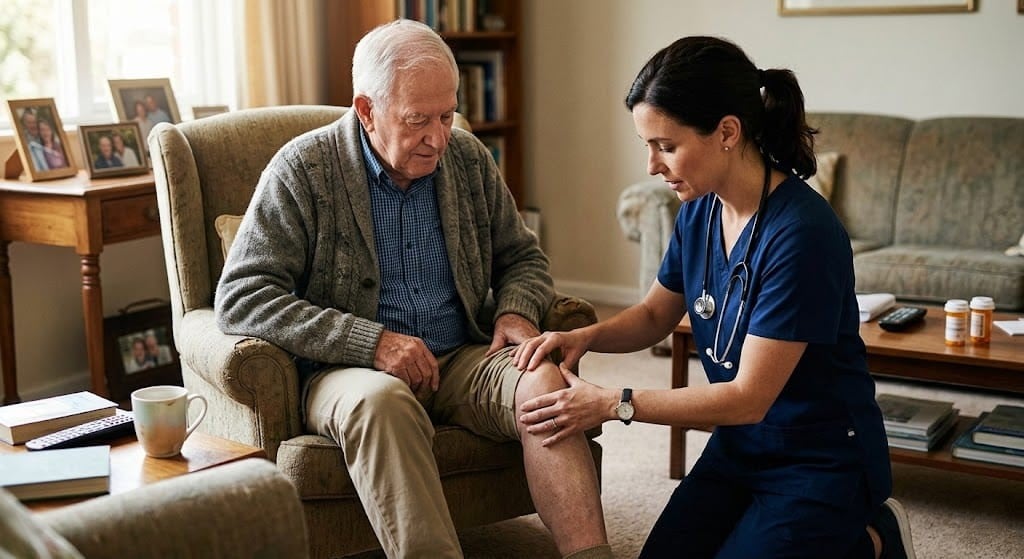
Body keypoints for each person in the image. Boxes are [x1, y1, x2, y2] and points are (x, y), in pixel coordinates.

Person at [215, 19, 611, 559]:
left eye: (447, 116)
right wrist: (371, 342)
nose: (438, 137)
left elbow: (521, 256)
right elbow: (242, 297)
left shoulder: (467, 158)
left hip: (463, 354)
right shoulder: (302, 169)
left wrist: (515, 312)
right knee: (384, 402)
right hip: (347, 372)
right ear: (366, 110)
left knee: (542, 383)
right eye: (417, 119)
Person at [513, 36, 916, 559]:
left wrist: (613, 404)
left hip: (819, 456)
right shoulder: (698, 212)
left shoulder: (802, 233)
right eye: (647, 145)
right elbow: (656, 314)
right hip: (740, 444)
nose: (652, 165)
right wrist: (584, 335)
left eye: (666, 145)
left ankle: (873, 536)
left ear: (728, 132)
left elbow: (749, 396)